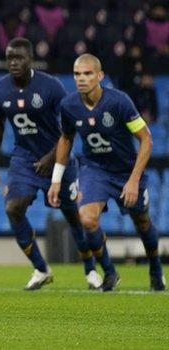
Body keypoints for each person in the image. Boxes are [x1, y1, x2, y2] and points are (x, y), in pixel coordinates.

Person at [0, 38, 101, 290]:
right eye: (10, 58)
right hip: (24, 159)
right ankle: (40, 268)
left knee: (73, 217)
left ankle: (90, 269)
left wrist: (53, 157)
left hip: (57, 159)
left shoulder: (51, 87)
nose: (14, 62)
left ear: (30, 59)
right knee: (13, 208)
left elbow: (71, 126)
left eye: (19, 58)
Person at [48, 54, 166, 292]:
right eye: (77, 74)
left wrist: (133, 181)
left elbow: (146, 140)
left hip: (126, 171)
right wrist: (56, 180)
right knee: (87, 219)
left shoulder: (119, 102)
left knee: (142, 223)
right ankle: (110, 272)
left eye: (88, 73)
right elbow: (66, 139)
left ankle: (155, 269)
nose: (82, 79)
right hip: (95, 170)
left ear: (100, 76)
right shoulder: (69, 106)